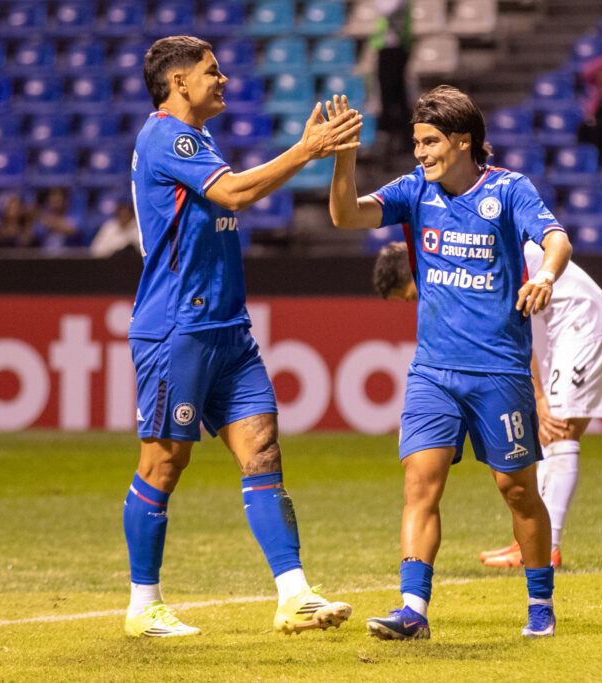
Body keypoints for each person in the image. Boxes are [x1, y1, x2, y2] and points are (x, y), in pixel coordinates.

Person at [124, 35, 362, 638]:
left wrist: (305, 153)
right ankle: (142, 605)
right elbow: (234, 192)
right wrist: (306, 149)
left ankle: (294, 594)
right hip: (178, 327)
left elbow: (234, 192)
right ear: (178, 83)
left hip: (227, 328)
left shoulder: (199, 140)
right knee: (163, 464)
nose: (224, 78)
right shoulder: (165, 136)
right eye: (211, 71)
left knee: (263, 454)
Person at [329, 86, 573, 640]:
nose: (420, 153)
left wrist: (544, 275)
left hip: (499, 371)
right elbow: (345, 215)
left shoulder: (509, 190)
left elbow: (557, 238)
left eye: (431, 142)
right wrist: (345, 157)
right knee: (421, 484)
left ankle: (540, 602)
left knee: (516, 490)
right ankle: (413, 610)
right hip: (433, 372)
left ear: (463, 140)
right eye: (416, 143)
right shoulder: (415, 191)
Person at [373, 241, 602, 570]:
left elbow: (508, 330)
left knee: (557, 433)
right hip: (571, 326)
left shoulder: (465, 260)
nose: (417, 301)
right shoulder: (458, 254)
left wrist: (536, 396)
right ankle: (533, 545)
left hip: (584, 325)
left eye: (411, 295)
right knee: (553, 436)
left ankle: (546, 549)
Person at [371, 0, 413, 158]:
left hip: (395, 48)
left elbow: (387, 8)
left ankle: (402, 140)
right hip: (387, 48)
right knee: (389, 96)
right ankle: (393, 140)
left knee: (395, 96)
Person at [33, 186, 81, 251]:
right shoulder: (43, 217)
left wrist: (52, 223)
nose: (55, 205)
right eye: (53, 201)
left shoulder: (72, 216)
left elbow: (73, 229)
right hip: (44, 257)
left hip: (67, 257)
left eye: (58, 201)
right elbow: (36, 232)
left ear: (65, 201)